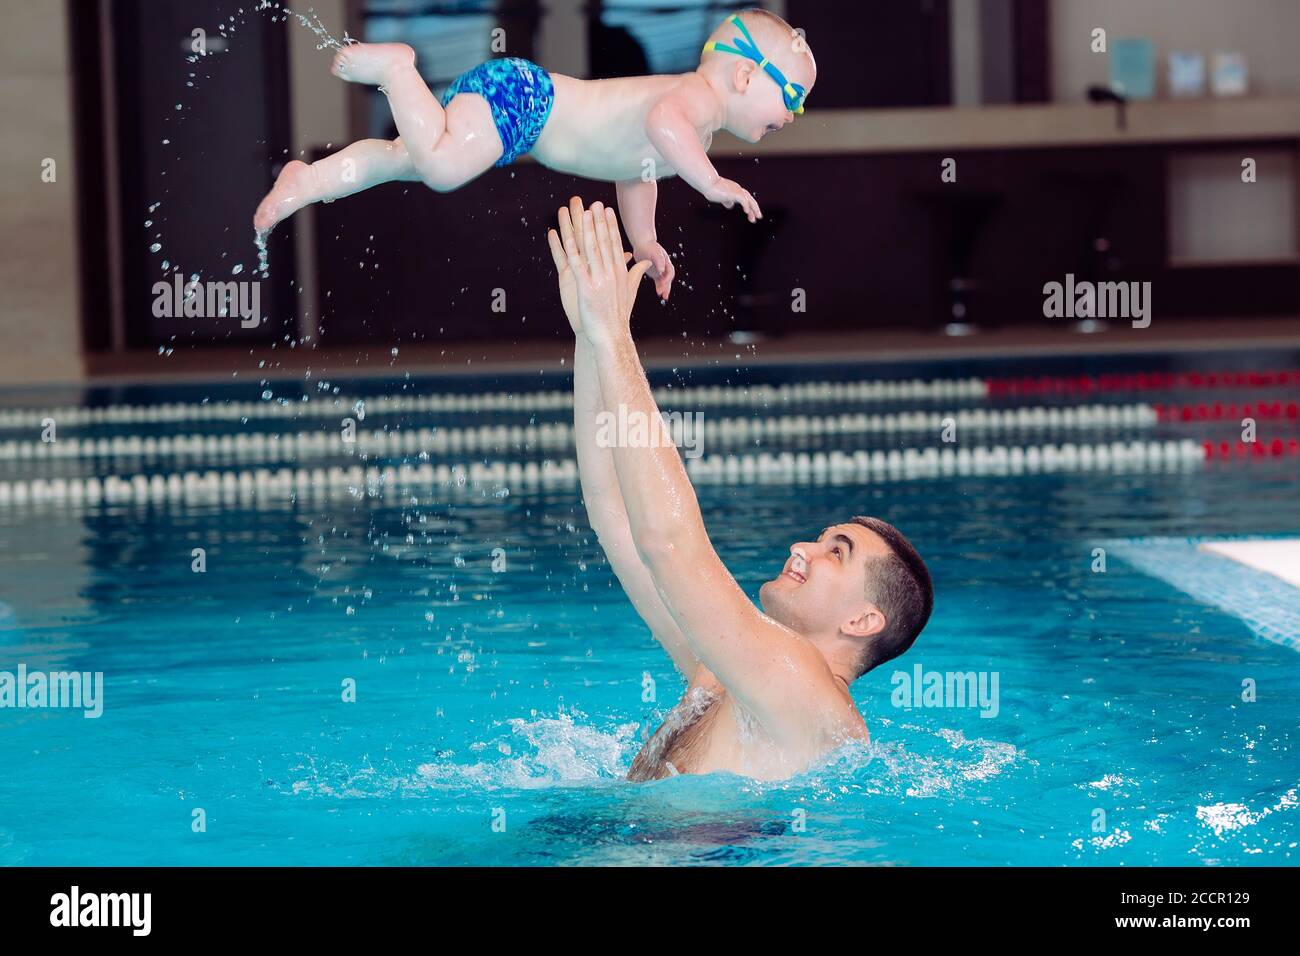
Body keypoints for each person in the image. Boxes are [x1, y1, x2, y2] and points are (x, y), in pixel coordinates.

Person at [547, 197, 934, 782]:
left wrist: (615, 337)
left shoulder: (812, 698)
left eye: (837, 552)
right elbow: (615, 518)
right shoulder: (723, 674)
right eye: (825, 537)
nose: (803, 547)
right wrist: (589, 338)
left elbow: (668, 545)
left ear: (862, 620)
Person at [254, 9, 816, 301]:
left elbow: (635, 171)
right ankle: (399, 70)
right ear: (745, 75)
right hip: (526, 99)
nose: (793, 114)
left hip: (518, 112)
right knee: (441, 169)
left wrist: (643, 241)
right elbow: (662, 124)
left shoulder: (696, 129)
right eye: (792, 96)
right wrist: (713, 184)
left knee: (409, 158)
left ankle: (311, 179)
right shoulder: (693, 100)